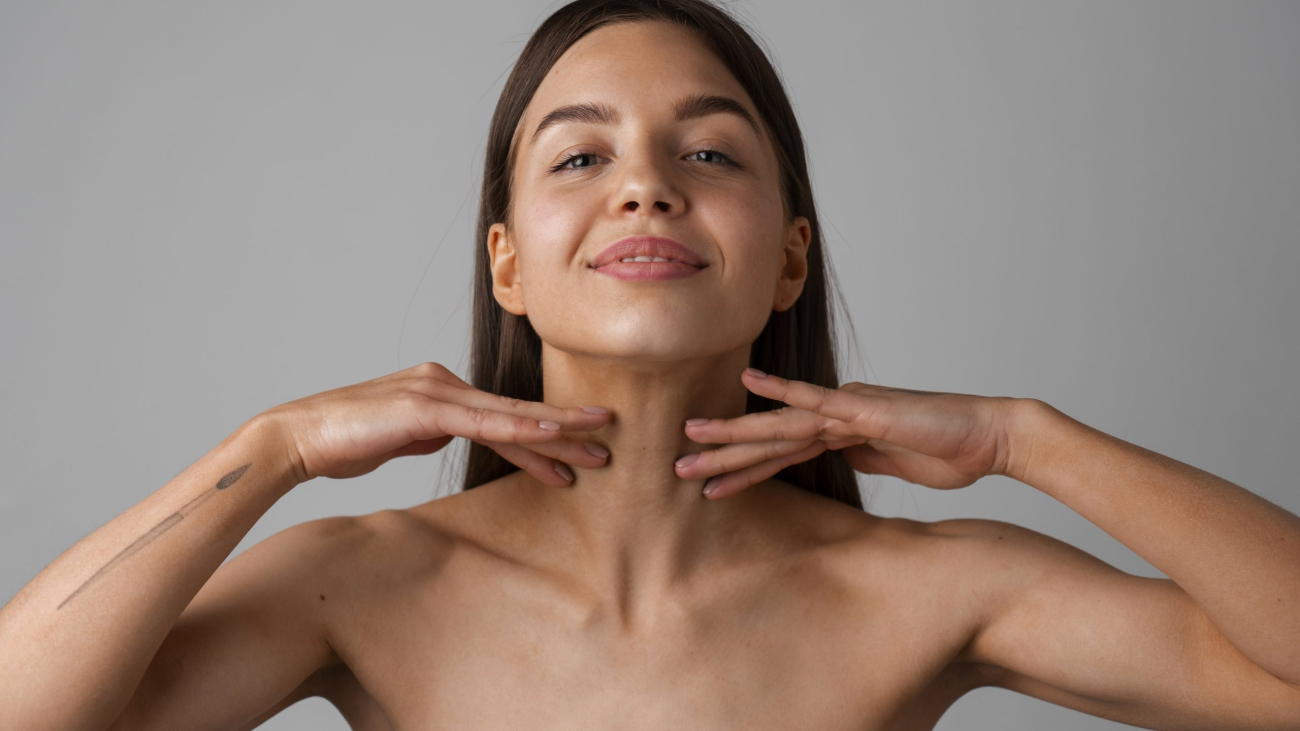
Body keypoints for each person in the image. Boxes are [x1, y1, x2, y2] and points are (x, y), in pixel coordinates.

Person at [4, 1, 1299, 729]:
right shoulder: (366, 585)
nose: (644, 191)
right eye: (580, 157)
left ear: (788, 263)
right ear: (508, 267)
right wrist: (267, 451)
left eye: (711, 153)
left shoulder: (922, 591)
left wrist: (1028, 440)